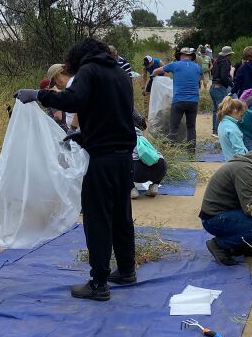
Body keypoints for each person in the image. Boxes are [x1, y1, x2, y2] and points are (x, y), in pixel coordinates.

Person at [15, 37, 137, 301]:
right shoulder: (119, 73)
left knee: (98, 219)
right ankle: (127, 270)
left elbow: (73, 100)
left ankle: (98, 283)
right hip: (124, 156)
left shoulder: (89, 71)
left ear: (78, 57)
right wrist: (84, 134)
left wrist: (38, 95)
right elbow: (112, 112)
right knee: (121, 215)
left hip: (102, 159)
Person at [151, 46, 203, 147]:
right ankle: (191, 152)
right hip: (193, 102)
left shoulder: (175, 65)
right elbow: (199, 77)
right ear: (191, 57)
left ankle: (172, 150)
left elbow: (158, 70)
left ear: (181, 56)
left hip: (178, 101)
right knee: (191, 127)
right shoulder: (197, 67)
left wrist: (153, 75)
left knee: (174, 127)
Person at [132, 117, 167, 198]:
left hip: (138, 172)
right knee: (161, 159)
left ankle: (132, 189)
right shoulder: (144, 139)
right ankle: (155, 185)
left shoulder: (125, 138)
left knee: (119, 164)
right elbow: (158, 155)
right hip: (159, 168)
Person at [209, 45, 234, 131]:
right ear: (229, 55)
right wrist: (231, 84)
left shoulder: (217, 61)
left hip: (213, 86)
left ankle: (215, 129)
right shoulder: (225, 62)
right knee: (221, 110)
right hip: (220, 87)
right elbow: (224, 77)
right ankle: (218, 131)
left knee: (216, 109)